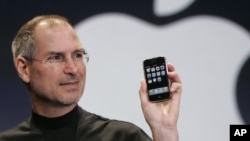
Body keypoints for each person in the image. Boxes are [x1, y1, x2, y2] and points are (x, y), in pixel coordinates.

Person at [0, 15, 182, 141]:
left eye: (78, 55)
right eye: (55, 57)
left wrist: (164, 130)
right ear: (24, 69)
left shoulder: (122, 137)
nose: (72, 69)